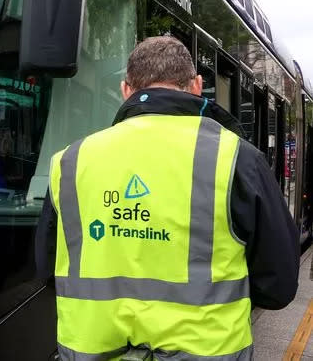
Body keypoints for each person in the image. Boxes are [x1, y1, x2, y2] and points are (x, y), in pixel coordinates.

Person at [35, 36, 299, 360]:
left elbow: (49, 269)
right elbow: (278, 287)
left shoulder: (69, 161)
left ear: (125, 91)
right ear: (198, 86)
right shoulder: (238, 159)